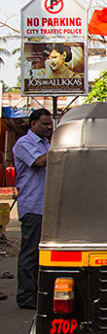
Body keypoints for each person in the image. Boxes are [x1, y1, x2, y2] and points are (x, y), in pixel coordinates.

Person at [13, 108, 53, 309]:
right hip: (33, 207)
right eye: (45, 124)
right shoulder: (24, 144)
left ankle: (38, 292)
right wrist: (61, 148)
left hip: (47, 207)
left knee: (42, 253)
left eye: (50, 124)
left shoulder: (47, 143)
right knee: (29, 253)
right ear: (33, 124)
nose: (49, 127)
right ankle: (25, 296)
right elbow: (39, 162)